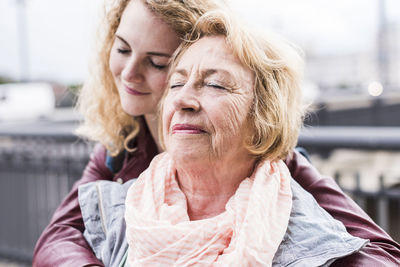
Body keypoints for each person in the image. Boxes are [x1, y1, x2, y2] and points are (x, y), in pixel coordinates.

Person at [33, 0, 400, 266]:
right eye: (123, 49)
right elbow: (56, 237)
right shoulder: (120, 148)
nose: (128, 73)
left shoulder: (273, 170)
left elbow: (379, 252)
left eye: (157, 62)